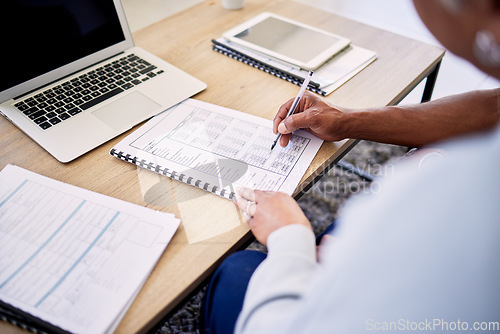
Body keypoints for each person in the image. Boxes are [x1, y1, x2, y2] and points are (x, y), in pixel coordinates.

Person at [201, 0, 500, 333]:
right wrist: (345, 121)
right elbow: (494, 107)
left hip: (403, 267)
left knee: (237, 271)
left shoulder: (464, 202)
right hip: (399, 246)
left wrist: (291, 239)